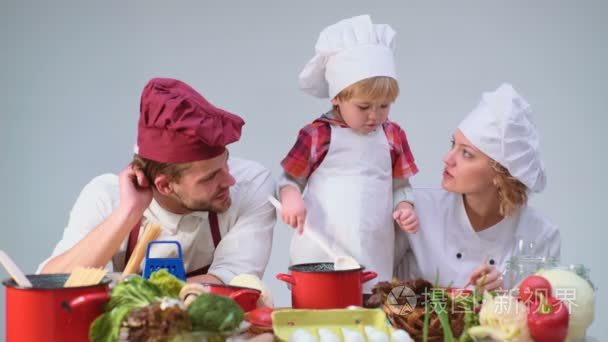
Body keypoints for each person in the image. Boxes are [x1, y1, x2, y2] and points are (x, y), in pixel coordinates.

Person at [39, 77, 276, 285]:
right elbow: (52, 284)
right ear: (164, 185)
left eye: (225, 163)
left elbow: (234, 281)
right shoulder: (106, 197)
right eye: (211, 177)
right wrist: (128, 212)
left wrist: (126, 290)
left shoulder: (251, 184)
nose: (230, 180)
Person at [278, 15, 419, 292]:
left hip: (374, 243)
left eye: (384, 106)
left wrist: (405, 207)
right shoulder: (317, 134)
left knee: (372, 303)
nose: (374, 116)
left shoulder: (393, 135)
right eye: (363, 107)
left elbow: (401, 186)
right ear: (337, 98)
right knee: (324, 309)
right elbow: (289, 180)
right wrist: (291, 197)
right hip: (321, 247)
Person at [394, 83, 561, 290]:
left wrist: (499, 299)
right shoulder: (414, 209)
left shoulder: (540, 236)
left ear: (499, 175)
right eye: (452, 145)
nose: (447, 158)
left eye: (466, 153)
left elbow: (539, 315)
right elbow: (380, 294)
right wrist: (437, 303)